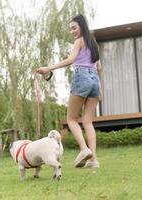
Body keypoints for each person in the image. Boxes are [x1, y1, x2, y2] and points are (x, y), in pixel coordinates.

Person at [37, 14, 103, 168]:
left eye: (74, 28)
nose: (72, 31)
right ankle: (94, 160)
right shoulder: (94, 43)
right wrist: (97, 85)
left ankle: (84, 149)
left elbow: (71, 60)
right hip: (95, 81)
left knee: (71, 119)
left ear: (82, 26)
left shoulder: (79, 41)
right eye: (70, 29)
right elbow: (99, 67)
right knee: (88, 121)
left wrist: (48, 68)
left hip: (82, 77)